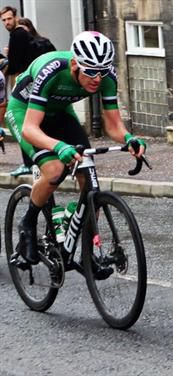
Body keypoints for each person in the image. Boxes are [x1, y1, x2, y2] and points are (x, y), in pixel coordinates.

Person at [5, 31, 146, 266]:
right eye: (90, 71)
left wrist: (129, 138)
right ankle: (27, 223)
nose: (97, 78)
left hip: (60, 112)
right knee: (54, 169)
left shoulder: (106, 76)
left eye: (102, 71)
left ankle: (87, 253)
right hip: (24, 113)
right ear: (74, 64)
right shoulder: (50, 70)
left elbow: (113, 125)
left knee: (88, 175)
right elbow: (31, 129)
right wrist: (58, 146)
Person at [1, 8, 38, 176]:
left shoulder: (17, 35)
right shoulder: (24, 34)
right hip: (30, 82)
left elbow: (15, 65)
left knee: (18, 121)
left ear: (16, 17)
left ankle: (29, 162)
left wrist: (8, 61)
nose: (7, 22)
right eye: (4, 20)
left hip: (24, 84)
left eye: (9, 18)